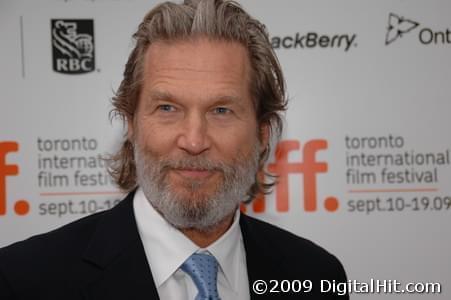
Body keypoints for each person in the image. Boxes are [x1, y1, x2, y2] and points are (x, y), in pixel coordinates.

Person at [0, 0, 348, 299]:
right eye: (167, 108)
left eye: (221, 110)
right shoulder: (23, 281)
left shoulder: (316, 275)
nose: (194, 141)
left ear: (262, 134)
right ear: (132, 124)